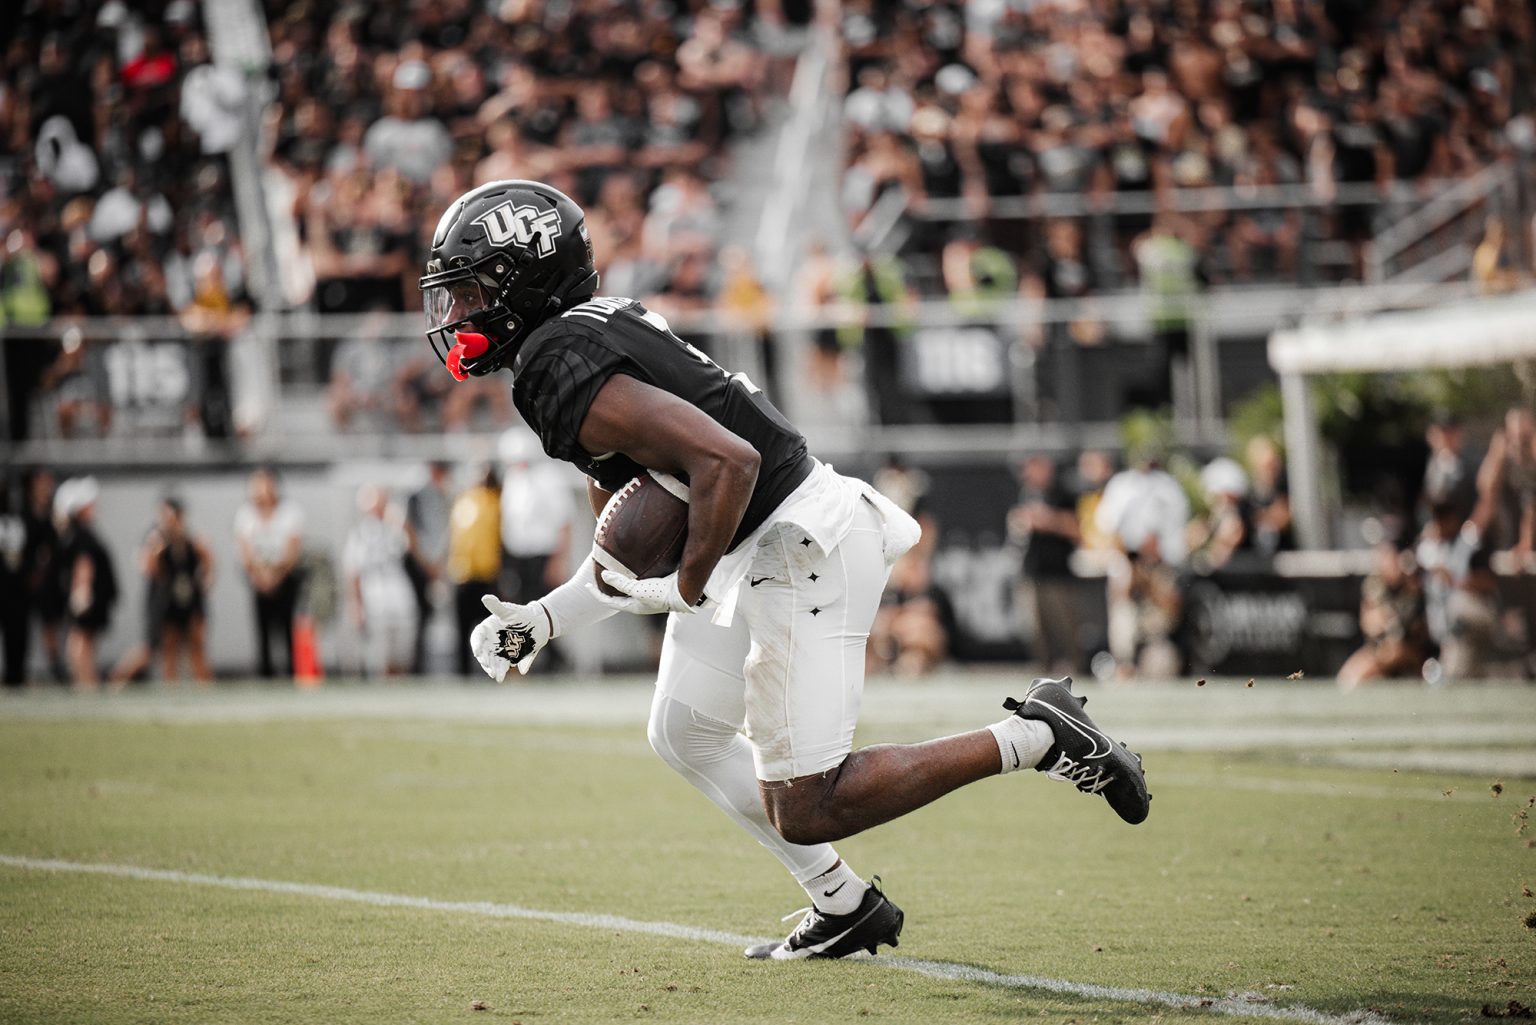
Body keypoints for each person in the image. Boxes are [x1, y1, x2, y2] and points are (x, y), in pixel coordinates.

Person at [422, 180, 1149, 961]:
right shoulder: (580, 339)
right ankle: (844, 902)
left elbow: (728, 462)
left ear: (526, 281)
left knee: (807, 804)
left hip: (800, 544)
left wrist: (687, 585)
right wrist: (542, 620)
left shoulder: (555, 363)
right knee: (685, 729)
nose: (457, 314)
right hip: (761, 538)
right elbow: (626, 552)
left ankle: (1037, 734)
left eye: (472, 292)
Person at [1007, 455, 1081, 674]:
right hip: (1032, 571)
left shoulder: (1063, 493)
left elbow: (1078, 529)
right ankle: (1044, 668)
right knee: (1035, 628)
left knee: (1063, 625)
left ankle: (1074, 665)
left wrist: (1048, 520)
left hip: (1057, 572)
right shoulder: (1027, 494)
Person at [234, 468, 305, 678]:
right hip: (258, 580)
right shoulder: (246, 514)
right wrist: (260, 577)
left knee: (288, 630)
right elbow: (245, 551)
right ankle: (265, 675)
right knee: (262, 633)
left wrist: (275, 576)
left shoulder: (289, 511)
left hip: (285, 579)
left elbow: (292, 550)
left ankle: (293, 675)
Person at [342, 486, 418, 677]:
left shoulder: (395, 527)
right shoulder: (360, 534)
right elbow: (354, 572)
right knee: (379, 655)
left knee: (402, 652)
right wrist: (356, 605)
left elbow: (412, 547)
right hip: (374, 596)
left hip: (399, 595)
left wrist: (402, 522)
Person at [55, 478, 118, 689]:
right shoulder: (81, 535)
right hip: (88, 596)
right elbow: (84, 565)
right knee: (81, 638)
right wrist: (82, 591)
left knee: (85, 639)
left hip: (90, 596)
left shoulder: (75, 533)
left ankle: (85, 682)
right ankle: (84, 684)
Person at [446, 465, 502, 677]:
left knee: (491, 630)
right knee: (464, 631)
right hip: (464, 574)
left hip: (487, 575)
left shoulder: (494, 501)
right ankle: (463, 673)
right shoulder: (465, 501)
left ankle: (493, 670)